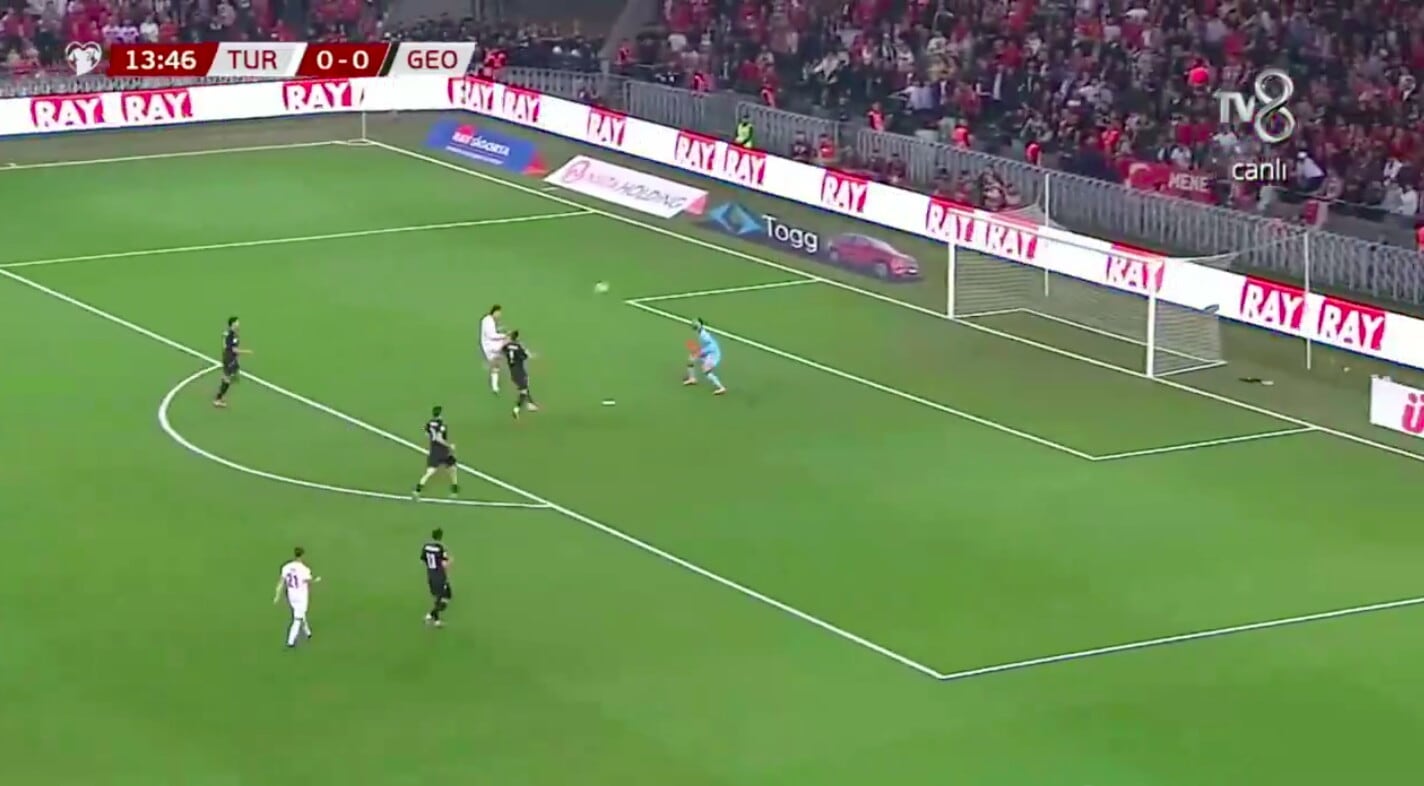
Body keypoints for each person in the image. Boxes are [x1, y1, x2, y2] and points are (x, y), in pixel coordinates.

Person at [273, 546, 319, 648]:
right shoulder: (304, 569)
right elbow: (308, 581)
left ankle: (307, 632)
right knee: (297, 618)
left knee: (300, 613)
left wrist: (277, 595)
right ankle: (291, 641)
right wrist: (315, 580)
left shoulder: (286, 567)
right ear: (303, 556)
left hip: (291, 596)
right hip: (301, 597)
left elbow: (281, 582)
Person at [413, 406, 459, 498]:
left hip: (434, 450)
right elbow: (439, 438)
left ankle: (417, 490)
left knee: (430, 472)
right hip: (443, 451)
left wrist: (431, 437)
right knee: (452, 469)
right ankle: (455, 491)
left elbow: (426, 432)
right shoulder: (441, 425)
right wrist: (449, 445)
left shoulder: (429, 423)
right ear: (440, 414)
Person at [214, 316, 251, 408]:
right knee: (229, 379)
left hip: (230, 358)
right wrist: (246, 352)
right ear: (232, 324)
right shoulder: (232, 335)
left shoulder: (231, 333)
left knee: (233, 376)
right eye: (237, 322)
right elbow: (234, 350)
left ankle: (223, 384)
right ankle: (218, 399)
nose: (239, 324)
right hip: (230, 359)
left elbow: (225, 343)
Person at [683, 319, 727, 394]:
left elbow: (712, 346)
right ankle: (692, 378)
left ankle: (721, 388)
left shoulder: (704, 336)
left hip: (713, 354)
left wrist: (701, 352)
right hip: (708, 352)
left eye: (696, 324)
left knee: (706, 370)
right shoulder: (700, 333)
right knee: (691, 359)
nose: (694, 325)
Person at [503, 330, 538, 418]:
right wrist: (528, 353)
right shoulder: (518, 347)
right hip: (519, 372)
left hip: (513, 372)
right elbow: (525, 356)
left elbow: (505, 350)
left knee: (524, 387)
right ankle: (516, 410)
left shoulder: (506, 346)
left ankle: (530, 404)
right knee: (524, 391)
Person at [422, 528, 452, 627]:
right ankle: (431, 616)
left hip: (431, 574)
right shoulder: (440, 548)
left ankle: (436, 620)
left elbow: (423, 559)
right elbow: (445, 563)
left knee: (442, 596)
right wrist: (449, 562)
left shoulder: (426, 547)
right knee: (444, 597)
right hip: (439, 575)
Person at [480, 305, 507, 393]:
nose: (499, 315)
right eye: (498, 313)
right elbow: (491, 335)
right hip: (490, 345)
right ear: (494, 312)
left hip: (490, 343)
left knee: (496, 364)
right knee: (508, 342)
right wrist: (504, 335)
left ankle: (495, 386)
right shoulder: (489, 321)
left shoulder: (488, 319)